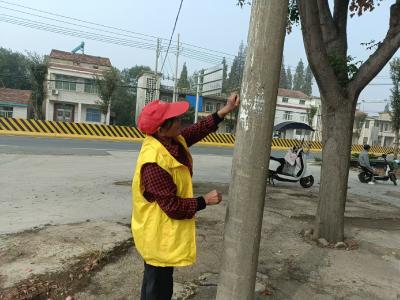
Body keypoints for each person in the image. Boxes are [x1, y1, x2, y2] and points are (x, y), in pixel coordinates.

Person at [131, 93, 240, 300]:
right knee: (158, 290)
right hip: (157, 236)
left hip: (162, 234)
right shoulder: (153, 162)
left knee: (158, 284)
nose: (182, 121)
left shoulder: (170, 141)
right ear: (161, 128)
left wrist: (224, 111)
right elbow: (172, 206)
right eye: (176, 119)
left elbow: (197, 130)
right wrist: (204, 200)